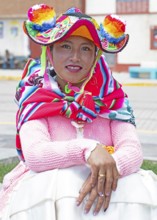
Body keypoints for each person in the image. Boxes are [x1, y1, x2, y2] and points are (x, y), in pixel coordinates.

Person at [0, 4, 157, 220]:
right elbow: (35, 154)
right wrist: (89, 150)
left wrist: (106, 172)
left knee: (136, 187)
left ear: (95, 56)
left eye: (85, 48)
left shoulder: (112, 98)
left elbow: (132, 149)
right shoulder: (37, 96)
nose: (75, 56)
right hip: (50, 197)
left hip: (111, 201)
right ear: (51, 51)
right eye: (65, 46)